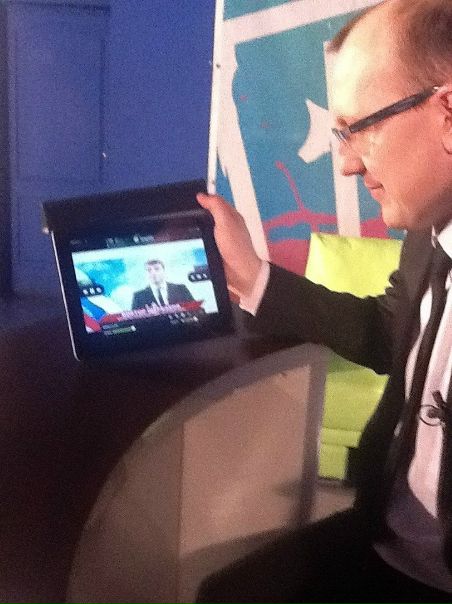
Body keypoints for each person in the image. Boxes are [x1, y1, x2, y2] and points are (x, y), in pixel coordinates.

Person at [194, 0, 452, 601]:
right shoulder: (428, 233)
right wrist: (254, 277)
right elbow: (389, 331)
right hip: (386, 538)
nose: (346, 162)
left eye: (359, 127)